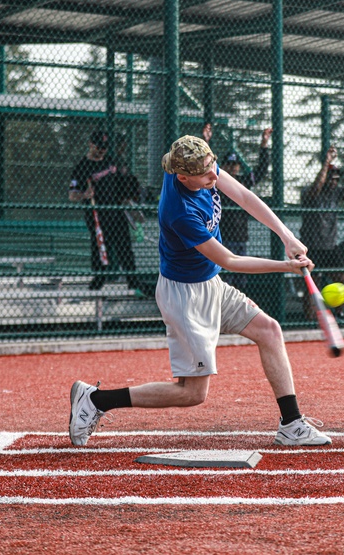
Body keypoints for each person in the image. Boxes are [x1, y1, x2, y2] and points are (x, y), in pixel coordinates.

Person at [68, 135, 330, 448]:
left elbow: (244, 196)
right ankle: (96, 400)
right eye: (206, 174)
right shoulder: (179, 211)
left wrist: (287, 236)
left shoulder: (194, 160)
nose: (214, 176)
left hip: (210, 284)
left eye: (212, 166)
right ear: (182, 177)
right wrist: (285, 266)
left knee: (269, 330)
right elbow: (229, 260)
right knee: (192, 393)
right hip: (185, 298)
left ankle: (291, 423)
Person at [69, 130, 142, 291]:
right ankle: (98, 280)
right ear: (91, 144)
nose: (102, 150)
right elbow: (72, 195)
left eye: (105, 147)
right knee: (100, 247)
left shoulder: (111, 161)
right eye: (99, 147)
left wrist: (128, 199)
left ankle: (133, 281)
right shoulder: (82, 167)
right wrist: (84, 194)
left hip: (116, 212)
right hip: (97, 214)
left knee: (124, 247)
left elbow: (123, 182)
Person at [299, 146, 344, 312]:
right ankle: (309, 319)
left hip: (330, 247)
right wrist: (326, 162)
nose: (334, 182)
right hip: (311, 246)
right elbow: (315, 189)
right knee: (312, 283)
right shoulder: (309, 192)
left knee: (342, 279)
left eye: (336, 179)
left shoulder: (336, 193)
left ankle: (339, 313)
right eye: (331, 179)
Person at [218, 128, 272, 290]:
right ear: (224, 166)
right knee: (225, 278)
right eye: (229, 164)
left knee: (240, 279)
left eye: (235, 165)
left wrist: (264, 144)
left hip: (241, 237)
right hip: (224, 238)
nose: (233, 168)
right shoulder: (217, 183)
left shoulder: (243, 182)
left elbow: (261, 170)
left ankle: (238, 311)